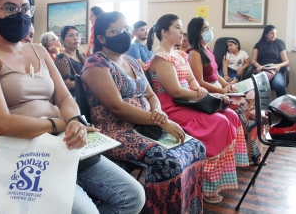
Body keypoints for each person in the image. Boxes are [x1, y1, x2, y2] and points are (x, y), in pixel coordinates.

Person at [0, 0, 145, 214]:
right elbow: (2, 123)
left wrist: (76, 121)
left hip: (59, 142)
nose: (20, 14)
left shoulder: (39, 50)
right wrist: (62, 123)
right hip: (14, 152)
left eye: (26, 8)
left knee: (133, 196)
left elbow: (64, 97)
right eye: (10, 8)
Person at [81, 11, 206, 213]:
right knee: (169, 161)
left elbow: (151, 95)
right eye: (115, 30)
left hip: (147, 125)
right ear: (102, 38)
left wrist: (158, 114)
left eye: (125, 29)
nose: (123, 34)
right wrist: (159, 122)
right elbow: (117, 107)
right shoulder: (96, 64)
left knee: (196, 147)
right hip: (117, 131)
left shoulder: (130, 61)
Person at [144, 14, 248, 204]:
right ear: (164, 32)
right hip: (172, 105)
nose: (182, 31)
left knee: (231, 115)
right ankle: (207, 185)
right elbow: (175, 91)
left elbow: (192, 81)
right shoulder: (161, 58)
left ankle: (222, 176)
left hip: (189, 99)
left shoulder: (181, 54)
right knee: (218, 121)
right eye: (177, 27)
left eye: (181, 27)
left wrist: (201, 91)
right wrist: (206, 96)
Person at [187, 17, 262, 166]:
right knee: (245, 107)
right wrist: (222, 90)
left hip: (218, 87)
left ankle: (252, 151)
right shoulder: (194, 53)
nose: (210, 31)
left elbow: (216, 74)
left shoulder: (207, 49)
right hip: (209, 93)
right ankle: (249, 153)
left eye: (210, 27)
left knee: (254, 99)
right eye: (205, 29)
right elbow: (200, 82)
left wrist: (228, 85)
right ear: (197, 32)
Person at [251, 25, 290, 97]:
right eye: (272, 33)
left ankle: (282, 106)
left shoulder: (279, 44)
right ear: (266, 34)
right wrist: (259, 66)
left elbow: (286, 61)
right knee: (253, 88)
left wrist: (278, 65)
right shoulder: (258, 45)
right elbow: (253, 60)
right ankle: (256, 107)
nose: (274, 35)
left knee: (279, 85)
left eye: (275, 33)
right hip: (262, 70)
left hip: (275, 71)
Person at [54, 26, 86, 97]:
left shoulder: (82, 55)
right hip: (73, 98)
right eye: (71, 35)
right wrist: (87, 81)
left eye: (77, 35)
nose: (76, 38)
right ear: (63, 40)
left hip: (85, 94)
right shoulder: (62, 58)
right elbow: (66, 84)